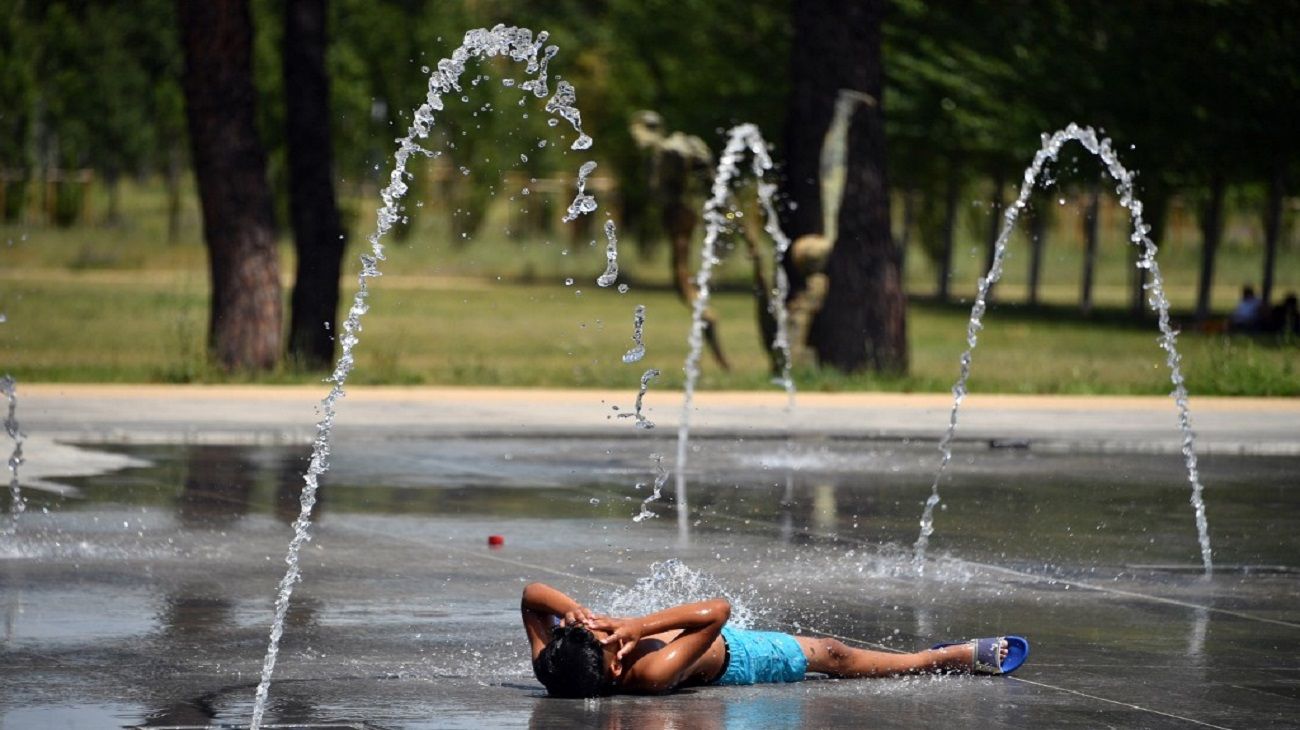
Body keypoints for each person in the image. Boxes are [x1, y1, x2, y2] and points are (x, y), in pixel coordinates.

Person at [521, 582, 1029, 698]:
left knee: (832, 651)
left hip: (703, 636)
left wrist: (572, 613)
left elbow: (529, 598)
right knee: (832, 654)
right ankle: (936, 659)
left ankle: (923, 657)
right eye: (612, 642)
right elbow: (717, 613)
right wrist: (637, 627)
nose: (612, 632)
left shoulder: (554, 665)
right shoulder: (649, 674)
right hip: (739, 657)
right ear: (615, 670)